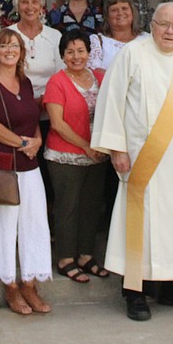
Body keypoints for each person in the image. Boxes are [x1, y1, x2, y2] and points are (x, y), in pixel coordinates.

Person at [91, 2, 173, 321]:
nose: (169, 31)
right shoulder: (133, 53)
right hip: (141, 158)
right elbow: (112, 100)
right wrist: (116, 148)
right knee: (139, 226)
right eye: (163, 24)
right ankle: (135, 293)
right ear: (152, 25)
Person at [0, 29, 52, 315]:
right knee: (7, 228)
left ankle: (30, 283)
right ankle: (10, 287)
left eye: (15, 45)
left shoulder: (25, 82)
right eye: (4, 46)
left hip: (29, 165)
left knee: (34, 224)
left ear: (22, 51)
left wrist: (37, 140)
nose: (10, 50)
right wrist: (23, 143)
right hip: (2, 166)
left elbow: (33, 118)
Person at [44, 30, 111, 284]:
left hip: (97, 156)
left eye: (80, 50)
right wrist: (86, 146)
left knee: (91, 207)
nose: (76, 56)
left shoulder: (101, 77)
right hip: (66, 156)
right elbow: (58, 124)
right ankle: (65, 258)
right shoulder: (57, 82)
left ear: (89, 53)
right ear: (62, 55)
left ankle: (86, 255)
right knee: (68, 208)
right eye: (70, 51)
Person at [7, 0, 62, 103]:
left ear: (41, 6)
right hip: (17, 104)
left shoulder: (55, 36)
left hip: (51, 103)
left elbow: (61, 74)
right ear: (17, 6)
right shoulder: (7, 36)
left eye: (35, 2)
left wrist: (44, 98)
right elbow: (2, 76)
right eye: (25, 2)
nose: (30, 7)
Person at [88, 0, 142, 72]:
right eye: (114, 10)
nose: (120, 13)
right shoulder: (98, 42)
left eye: (124, 8)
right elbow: (94, 74)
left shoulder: (147, 40)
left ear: (133, 13)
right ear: (107, 17)